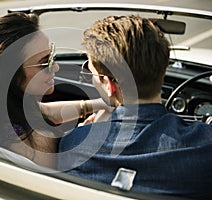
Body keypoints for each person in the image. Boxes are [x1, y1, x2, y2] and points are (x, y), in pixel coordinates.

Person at [58, 15, 212, 199]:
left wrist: (89, 132)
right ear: (163, 67)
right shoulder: (205, 146)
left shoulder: (73, 145)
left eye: (91, 72)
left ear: (109, 85)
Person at [0, 12, 109, 168]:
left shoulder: (2, 113)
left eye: (52, 56)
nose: (55, 67)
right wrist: (86, 130)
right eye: (43, 63)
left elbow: (45, 111)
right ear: (10, 76)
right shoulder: (30, 144)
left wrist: (97, 104)